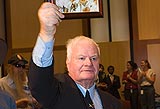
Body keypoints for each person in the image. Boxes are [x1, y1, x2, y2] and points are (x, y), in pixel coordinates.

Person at [28, 2, 122, 109]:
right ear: (68, 63)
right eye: (81, 58)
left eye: (93, 58)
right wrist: (47, 33)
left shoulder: (113, 103)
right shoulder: (55, 92)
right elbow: (39, 82)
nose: (88, 63)